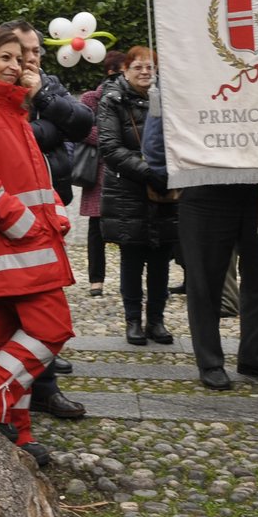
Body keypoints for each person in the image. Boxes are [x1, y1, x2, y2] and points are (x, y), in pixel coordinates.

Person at [0, 25, 75, 468]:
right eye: (3, 57)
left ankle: (16, 432)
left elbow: (34, 181)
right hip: (13, 245)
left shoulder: (14, 112)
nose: (14, 65)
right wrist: (23, 223)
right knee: (51, 328)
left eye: (19, 57)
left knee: (8, 338)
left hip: (32, 243)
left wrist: (55, 215)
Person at [0, 19, 90, 420]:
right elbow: (17, 137)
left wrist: (44, 97)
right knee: (2, 314)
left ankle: (43, 388)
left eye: (35, 52)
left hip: (50, 210)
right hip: (10, 220)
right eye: (21, 52)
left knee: (44, 308)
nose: (30, 59)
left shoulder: (45, 83)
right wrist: (48, 128)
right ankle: (0, 394)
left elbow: (82, 124)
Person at [141, 95, 258, 389]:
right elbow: (156, 131)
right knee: (204, 282)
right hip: (204, 183)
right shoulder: (184, 60)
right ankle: (210, 361)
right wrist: (173, 176)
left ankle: (255, 354)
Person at [96, 47, 177, 346]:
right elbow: (110, 147)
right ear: (125, 70)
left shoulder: (168, 99)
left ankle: (156, 319)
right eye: (138, 67)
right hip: (128, 189)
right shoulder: (112, 100)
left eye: (150, 67)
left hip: (165, 190)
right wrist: (148, 170)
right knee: (132, 257)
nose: (145, 72)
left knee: (161, 259)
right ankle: (133, 320)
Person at [77, 50, 125, 298]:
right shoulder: (90, 98)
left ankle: (128, 280)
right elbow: (81, 129)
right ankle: (96, 280)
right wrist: (111, 141)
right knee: (96, 226)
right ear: (110, 71)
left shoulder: (129, 95)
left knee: (128, 224)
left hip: (124, 167)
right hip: (98, 169)